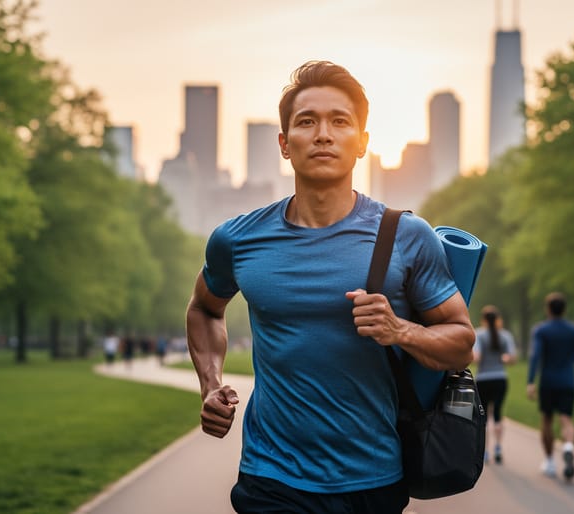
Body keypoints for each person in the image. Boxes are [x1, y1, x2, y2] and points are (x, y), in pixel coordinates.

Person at [185, 60, 474, 514]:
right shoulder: (238, 240)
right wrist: (210, 385)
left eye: (340, 121)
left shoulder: (407, 236)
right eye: (307, 122)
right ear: (284, 143)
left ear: (361, 142)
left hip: (372, 480)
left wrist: (400, 330)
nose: (323, 134)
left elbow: (461, 343)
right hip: (270, 478)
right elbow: (204, 309)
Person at [527, 292, 574, 481]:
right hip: (568, 380)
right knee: (566, 419)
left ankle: (550, 461)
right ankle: (568, 446)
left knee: (547, 421)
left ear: (547, 309)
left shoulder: (541, 330)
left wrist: (530, 382)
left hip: (549, 381)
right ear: (564, 309)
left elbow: (535, 357)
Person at [472, 305, 517, 464]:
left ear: (483, 319)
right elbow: (512, 358)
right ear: (498, 319)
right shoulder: (505, 335)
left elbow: (476, 357)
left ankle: (485, 451)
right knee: (497, 413)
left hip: (483, 379)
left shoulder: (478, 334)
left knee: (483, 417)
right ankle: (498, 447)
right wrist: (503, 358)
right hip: (500, 379)